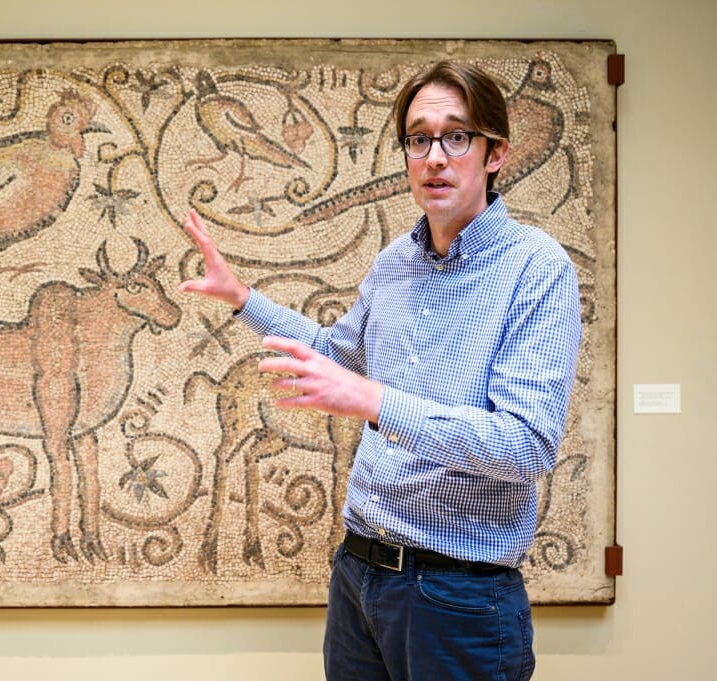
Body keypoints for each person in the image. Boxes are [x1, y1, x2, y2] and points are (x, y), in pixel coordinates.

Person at [178, 60, 581, 681]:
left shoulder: (538, 268)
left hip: (459, 597)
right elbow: (339, 358)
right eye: (419, 139)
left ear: (495, 153)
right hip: (359, 577)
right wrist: (242, 298)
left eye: (456, 136)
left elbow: (525, 445)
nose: (435, 158)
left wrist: (374, 402)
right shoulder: (395, 261)